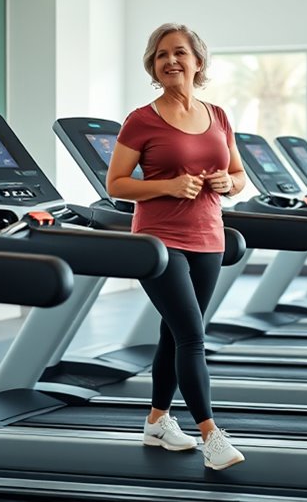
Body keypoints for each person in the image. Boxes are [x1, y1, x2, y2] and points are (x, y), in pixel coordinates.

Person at [106, 23, 247, 471]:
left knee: (174, 331)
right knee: (191, 335)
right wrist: (167, 185)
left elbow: (240, 176)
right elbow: (117, 184)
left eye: (180, 53)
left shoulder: (219, 115)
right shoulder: (141, 120)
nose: (171, 60)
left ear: (198, 61)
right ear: (153, 65)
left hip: (209, 237)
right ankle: (211, 434)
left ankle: (156, 420)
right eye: (162, 54)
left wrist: (229, 183)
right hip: (160, 241)